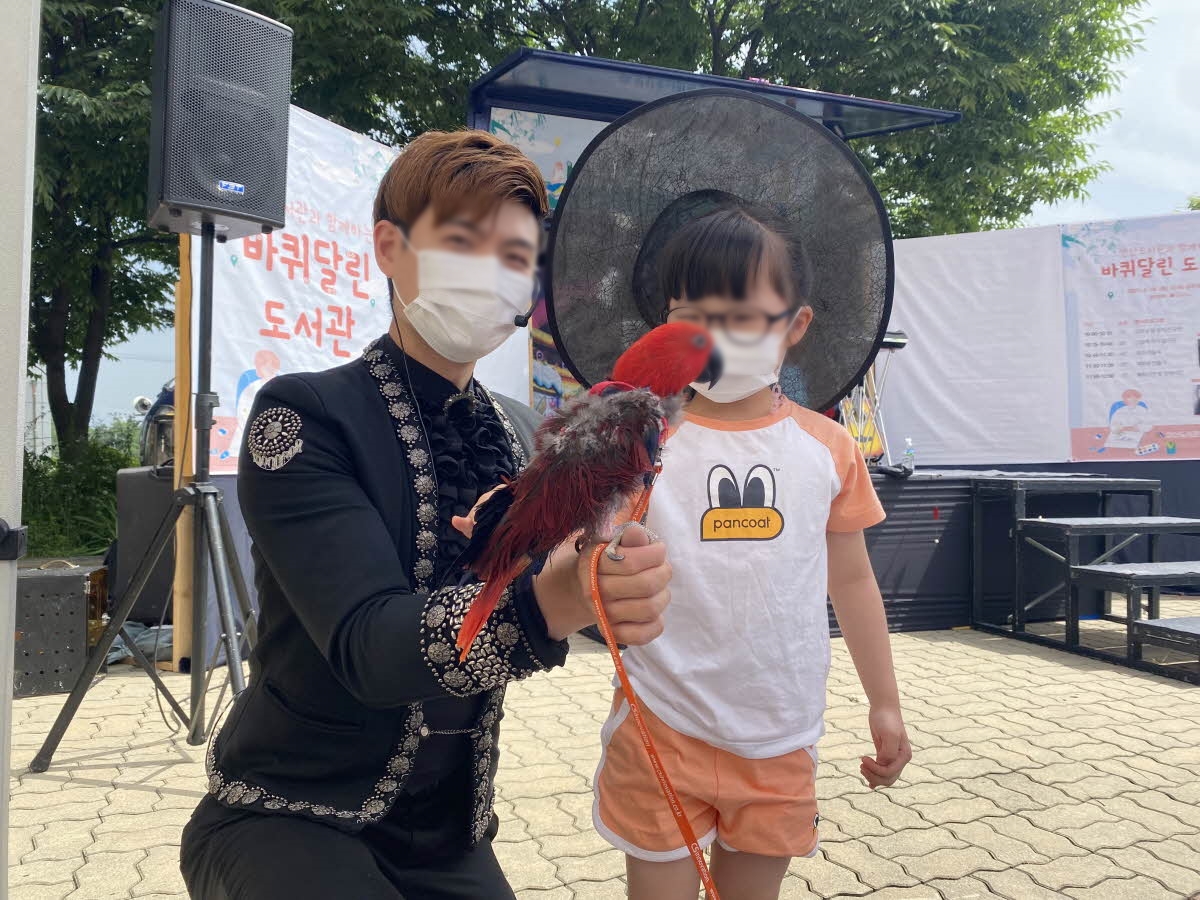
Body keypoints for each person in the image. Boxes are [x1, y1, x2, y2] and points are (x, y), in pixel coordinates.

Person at [179, 130, 673, 899]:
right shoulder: (303, 418)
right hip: (288, 816)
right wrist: (550, 602)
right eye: (462, 242)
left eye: (515, 257)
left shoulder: (521, 432)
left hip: (448, 837)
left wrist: (609, 586)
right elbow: (368, 646)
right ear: (390, 247)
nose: (491, 272)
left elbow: (566, 592)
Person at [590, 208, 912, 900]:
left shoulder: (829, 449)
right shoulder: (640, 442)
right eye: (691, 316)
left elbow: (853, 580)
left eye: (740, 316)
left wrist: (885, 704)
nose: (713, 337)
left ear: (795, 325)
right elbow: (578, 543)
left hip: (779, 734)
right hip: (660, 720)